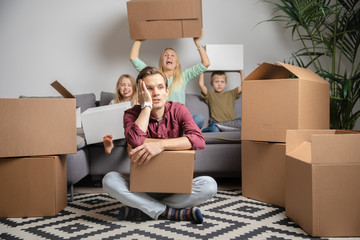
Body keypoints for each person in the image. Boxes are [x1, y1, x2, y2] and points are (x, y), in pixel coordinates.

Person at [102, 66, 217, 224]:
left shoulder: (179, 109)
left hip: (175, 188)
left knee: (210, 185)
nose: (156, 93)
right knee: (109, 180)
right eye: (149, 88)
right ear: (141, 93)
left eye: (160, 87)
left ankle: (141, 209)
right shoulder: (130, 114)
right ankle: (170, 212)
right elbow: (135, 141)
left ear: (167, 91)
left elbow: (198, 140)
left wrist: (161, 145)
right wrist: (146, 106)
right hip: (142, 187)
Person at [129, 31, 210, 129]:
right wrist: (138, 40)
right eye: (165, 55)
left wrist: (197, 42)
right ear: (161, 61)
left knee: (199, 119)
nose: (169, 56)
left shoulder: (183, 76)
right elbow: (133, 58)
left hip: (178, 119)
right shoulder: (153, 75)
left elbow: (205, 63)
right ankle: (176, 135)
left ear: (176, 62)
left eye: (172, 55)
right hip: (160, 120)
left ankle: (176, 134)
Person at [103, 74, 138, 154]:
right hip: (117, 129)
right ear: (118, 88)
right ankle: (110, 144)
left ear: (134, 88)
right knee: (109, 132)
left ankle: (130, 147)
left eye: (129, 85)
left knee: (133, 131)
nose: (126, 88)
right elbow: (107, 118)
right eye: (122, 85)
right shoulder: (113, 102)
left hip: (130, 129)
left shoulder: (137, 102)